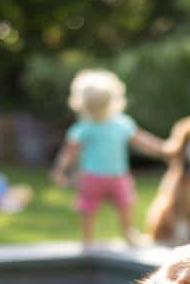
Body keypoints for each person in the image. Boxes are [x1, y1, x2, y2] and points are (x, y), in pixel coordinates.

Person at [51, 69, 166, 247]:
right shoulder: (83, 128)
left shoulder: (121, 123)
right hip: (92, 177)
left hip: (118, 176)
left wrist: (162, 148)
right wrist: (60, 171)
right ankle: (88, 239)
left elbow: (141, 141)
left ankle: (128, 233)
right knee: (88, 208)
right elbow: (69, 152)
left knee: (125, 204)